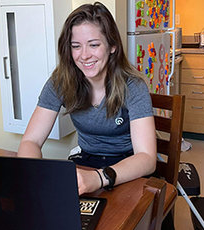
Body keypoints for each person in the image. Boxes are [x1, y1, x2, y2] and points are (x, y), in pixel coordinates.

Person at [17, 2, 156, 195]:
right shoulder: (60, 82)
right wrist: (34, 174)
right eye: (76, 46)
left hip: (128, 165)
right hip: (86, 161)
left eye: (94, 45)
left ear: (112, 46)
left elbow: (147, 158)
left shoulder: (133, 86)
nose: (84, 55)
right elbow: (30, 141)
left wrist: (99, 178)